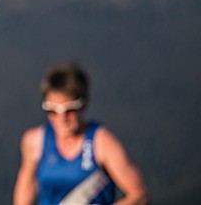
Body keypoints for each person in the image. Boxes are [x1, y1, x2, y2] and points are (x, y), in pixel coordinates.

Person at [13, 63, 149, 205]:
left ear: (84, 103)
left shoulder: (102, 142)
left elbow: (140, 195)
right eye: (52, 110)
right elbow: (27, 185)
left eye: (70, 110)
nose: (61, 118)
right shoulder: (35, 141)